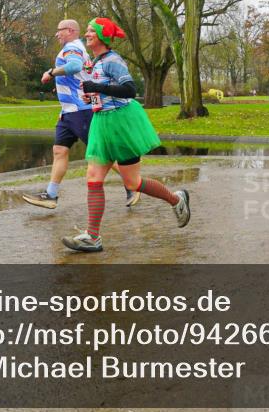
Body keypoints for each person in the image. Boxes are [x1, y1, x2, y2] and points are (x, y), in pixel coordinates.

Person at [62, 17, 191, 253]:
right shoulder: (95, 61)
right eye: (87, 31)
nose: (87, 34)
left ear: (102, 35)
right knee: (93, 178)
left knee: (133, 182)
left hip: (121, 123)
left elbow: (130, 90)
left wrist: (98, 88)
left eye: (91, 31)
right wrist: (91, 97)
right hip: (102, 123)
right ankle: (92, 237)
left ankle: (176, 199)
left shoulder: (113, 60)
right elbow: (101, 89)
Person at [22, 19, 136, 209]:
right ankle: (51, 195)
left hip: (81, 111)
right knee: (59, 151)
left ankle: (132, 185)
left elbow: (74, 66)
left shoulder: (72, 48)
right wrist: (63, 109)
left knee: (101, 153)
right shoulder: (74, 47)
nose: (57, 34)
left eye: (59, 30)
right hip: (69, 112)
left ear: (70, 31)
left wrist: (51, 72)